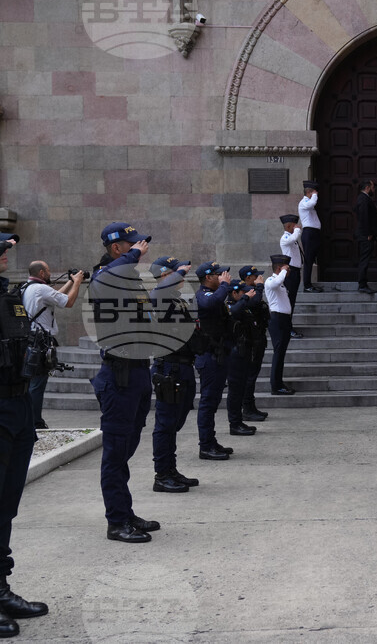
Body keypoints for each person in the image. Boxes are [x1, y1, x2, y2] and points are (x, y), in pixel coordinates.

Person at [90, 222, 160, 542]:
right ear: (116, 248)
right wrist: (133, 256)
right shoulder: (104, 276)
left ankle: (125, 511)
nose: (140, 249)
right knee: (115, 453)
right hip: (118, 375)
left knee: (126, 451)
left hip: (138, 371)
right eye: (132, 245)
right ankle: (116, 521)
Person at [0, 232, 50, 635]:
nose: (5, 255)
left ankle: (0, 587)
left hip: (17, 406)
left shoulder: (11, 295)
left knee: (6, 505)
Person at [148, 256, 200, 494]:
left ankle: (171, 468)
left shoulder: (175, 300)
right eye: (175, 273)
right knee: (166, 423)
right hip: (168, 367)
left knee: (176, 421)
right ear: (164, 275)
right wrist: (178, 272)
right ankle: (162, 474)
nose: (183, 276)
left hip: (184, 365)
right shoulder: (158, 296)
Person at [21, 261, 85, 429]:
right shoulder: (41, 289)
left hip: (31, 339)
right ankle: (35, 423)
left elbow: (56, 297)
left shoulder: (29, 286)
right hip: (39, 341)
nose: (50, 274)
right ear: (42, 273)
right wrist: (78, 282)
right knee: (37, 384)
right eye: (48, 270)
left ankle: (30, 420)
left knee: (33, 383)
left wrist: (70, 281)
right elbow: (68, 302)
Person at [193, 261, 236, 461]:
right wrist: (226, 286)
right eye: (219, 274)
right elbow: (211, 303)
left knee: (214, 400)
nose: (223, 277)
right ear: (208, 277)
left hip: (219, 354)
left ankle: (211, 441)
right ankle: (205, 445)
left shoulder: (217, 295)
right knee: (208, 402)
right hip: (209, 357)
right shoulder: (204, 295)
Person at [225, 282, 259, 437]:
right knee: (235, 390)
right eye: (243, 293)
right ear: (234, 293)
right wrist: (245, 298)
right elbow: (233, 312)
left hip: (245, 352)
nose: (247, 294)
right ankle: (234, 423)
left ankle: (238, 421)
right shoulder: (230, 306)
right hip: (234, 354)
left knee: (240, 389)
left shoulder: (243, 306)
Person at [238, 266, 269, 422]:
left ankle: (251, 406)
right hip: (250, 341)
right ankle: (247, 408)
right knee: (250, 376)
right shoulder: (246, 291)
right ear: (248, 278)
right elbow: (254, 302)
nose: (258, 278)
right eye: (255, 276)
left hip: (258, 337)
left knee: (253, 374)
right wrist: (259, 287)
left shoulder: (253, 289)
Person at [265, 255, 295, 396]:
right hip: (277, 320)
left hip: (284, 320)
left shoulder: (280, 283)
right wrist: (283, 271)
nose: (289, 271)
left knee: (281, 353)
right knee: (278, 353)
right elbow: (275, 283)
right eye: (287, 268)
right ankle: (275, 386)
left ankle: (279, 382)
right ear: (279, 268)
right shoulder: (271, 281)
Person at [278, 214, 304, 338]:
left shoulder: (291, 237)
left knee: (291, 300)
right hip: (290, 273)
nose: (297, 227)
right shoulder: (286, 238)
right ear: (288, 226)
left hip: (295, 272)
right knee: (289, 301)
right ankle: (287, 327)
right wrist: (298, 230)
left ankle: (287, 325)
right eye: (294, 226)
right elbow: (293, 238)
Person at [298, 180, 324, 293]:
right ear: (309, 192)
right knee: (308, 260)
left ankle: (309, 284)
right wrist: (314, 195)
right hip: (309, 233)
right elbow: (312, 203)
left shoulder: (308, 203)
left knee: (312, 258)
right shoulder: (304, 202)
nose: (316, 194)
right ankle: (307, 286)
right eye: (314, 192)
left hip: (314, 233)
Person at [354, 180, 377, 294]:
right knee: (364, 259)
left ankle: (363, 283)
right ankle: (362, 284)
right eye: (373, 187)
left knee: (365, 259)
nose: (374, 190)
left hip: (365, 234)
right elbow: (364, 217)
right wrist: (368, 233)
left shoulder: (363, 198)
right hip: (365, 235)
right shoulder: (363, 199)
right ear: (368, 187)